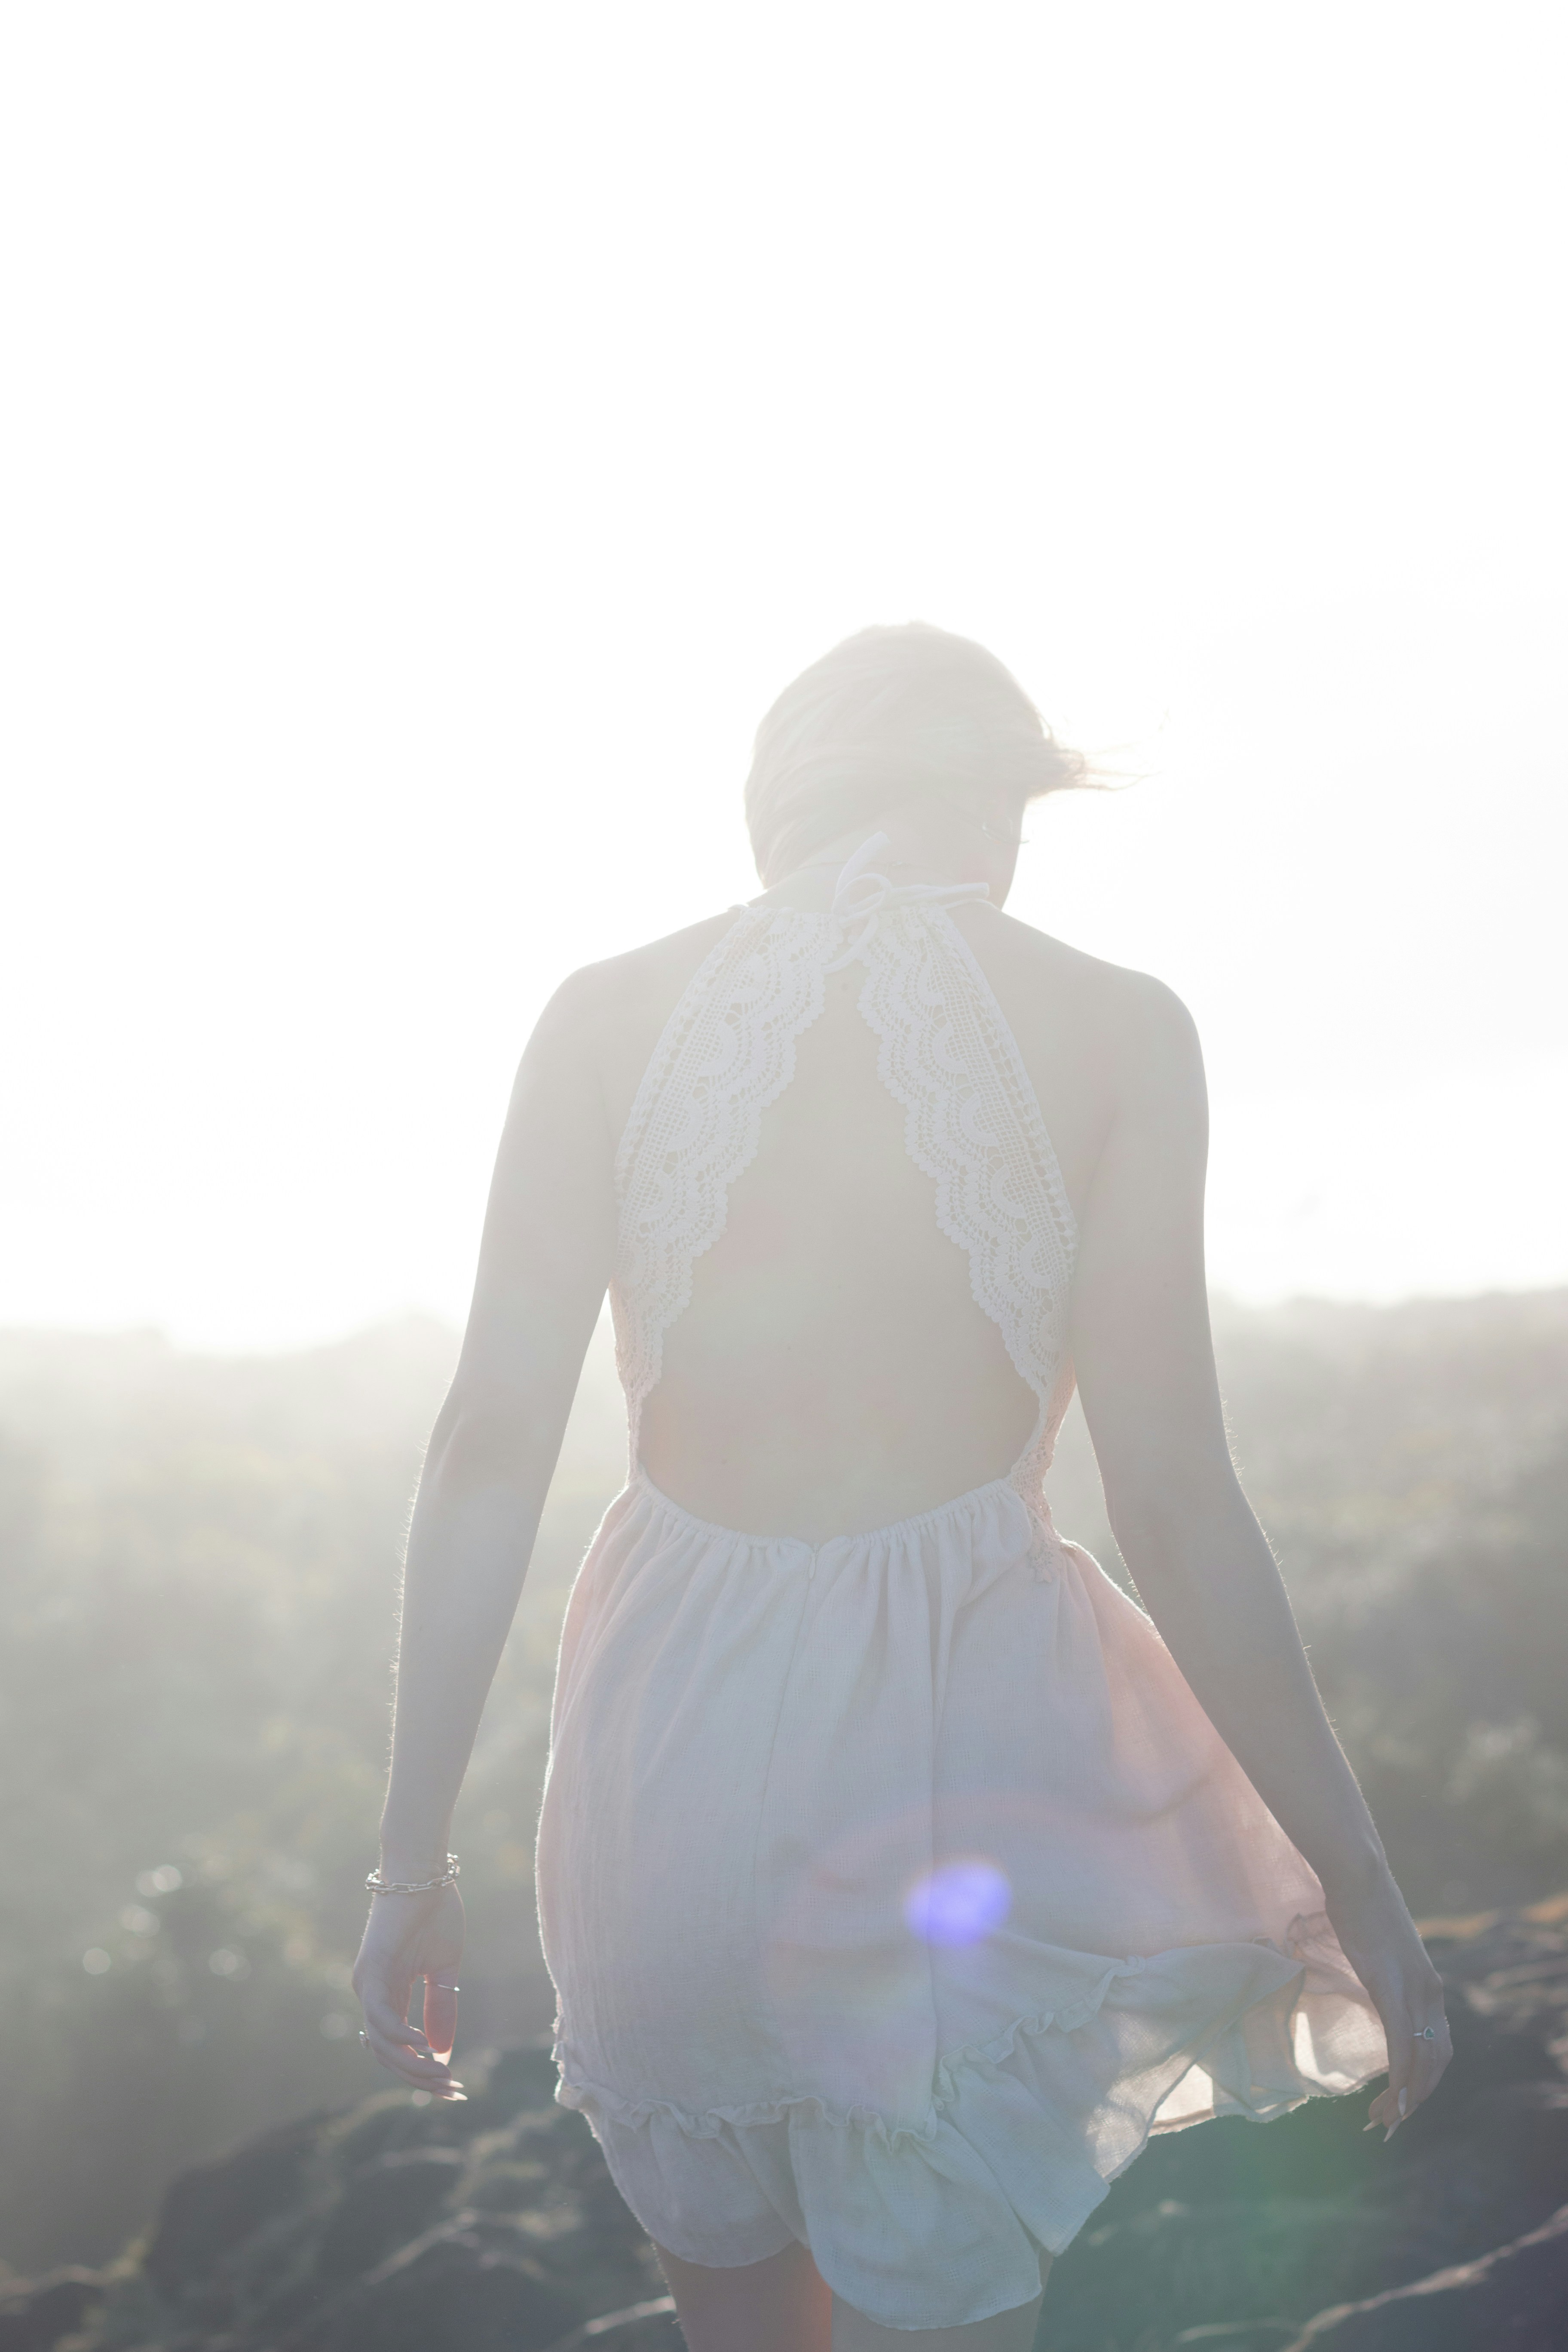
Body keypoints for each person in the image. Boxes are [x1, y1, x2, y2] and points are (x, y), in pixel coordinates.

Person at [353, 623, 1451, 2349]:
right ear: (999, 807)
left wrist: (406, 1867)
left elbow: (484, 1447)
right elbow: (1172, 1492)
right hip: (960, 1778)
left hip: (664, 1764)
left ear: (773, 809)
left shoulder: (602, 1013)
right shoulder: (1118, 1031)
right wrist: (1359, 1888)